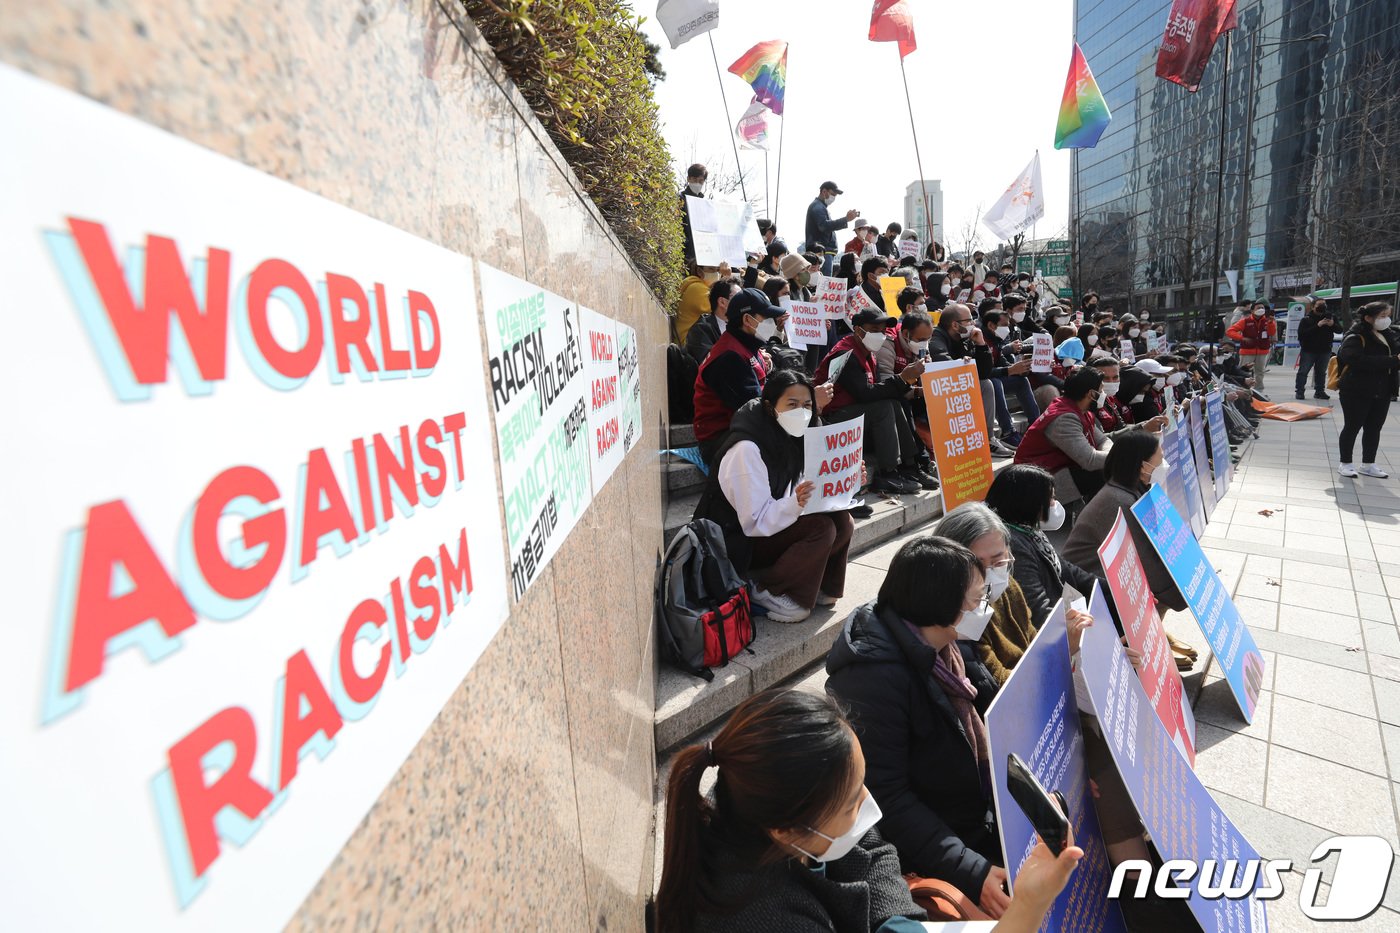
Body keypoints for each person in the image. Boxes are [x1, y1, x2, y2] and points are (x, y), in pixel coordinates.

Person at [657, 687, 1085, 933]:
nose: (869, 807)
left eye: (863, 784)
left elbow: (875, 850)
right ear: (786, 831)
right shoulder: (763, 919)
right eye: (851, 803)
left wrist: (895, 921)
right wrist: (1029, 906)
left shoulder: (765, 802)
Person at [825, 537, 1009, 916]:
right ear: (942, 604)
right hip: (931, 850)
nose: (983, 607)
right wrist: (971, 870)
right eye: (976, 599)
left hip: (973, 818)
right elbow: (888, 799)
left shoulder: (948, 646)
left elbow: (994, 713)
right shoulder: (874, 679)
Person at [693, 370, 853, 622]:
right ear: (769, 407)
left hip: (767, 526)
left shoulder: (792, 437)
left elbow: (805, 485)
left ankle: (823, 584)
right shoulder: (746, 449)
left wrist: (848, 480)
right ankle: (768, 590)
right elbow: (754, 521)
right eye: (792, 404)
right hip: (734, 542)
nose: (802, 412)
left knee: (842, 519)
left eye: (808, 405)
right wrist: (795, 503)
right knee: (821, 528)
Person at [932, 503, 1059, 694]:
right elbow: (996, 686)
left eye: (998, 561)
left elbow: (1032, 637)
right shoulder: (963, 616)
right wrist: (1057, 656)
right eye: (976, 564)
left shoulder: (1008, 587)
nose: (989, 573)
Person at [1062, 430, 1189, 617]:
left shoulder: (1132, 490)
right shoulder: (1118, 502)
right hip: (1086, 593)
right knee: (1159, 594)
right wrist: (1185, 595)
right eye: (1159, 459)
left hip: (1105, 579)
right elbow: (1144, 560)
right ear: (1142, 466)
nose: (1164, 464)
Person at [816, 308, 937, 494]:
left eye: (882, 331)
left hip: (855, 413)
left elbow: (881, 388)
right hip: (833, 418)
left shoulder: (869, 351)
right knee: (883, 407)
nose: (879, 335)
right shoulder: (845, 353)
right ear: (857, 330)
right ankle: (888, 473)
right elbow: (864, 394)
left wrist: (908, 382)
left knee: (895, 402)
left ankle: (910, 465)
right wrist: (903, 378)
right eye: (873, 330)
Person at [984, 465, 1109, 631]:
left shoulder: (1029, 530)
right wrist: (1080, 632)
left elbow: (1068, 569)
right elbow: (1037, 610)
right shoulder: (1013, 545)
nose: (1054, 504)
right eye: (1050, 499)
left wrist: (1113, 591)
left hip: (1067, 613)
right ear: (1030, 503)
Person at [693, 288, 781, 466]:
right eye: (767, 317)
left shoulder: (746, 343)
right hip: (720, 441)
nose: (773, 323)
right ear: (748, 320)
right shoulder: (729, 357)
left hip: (737, 430)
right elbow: (754, 410)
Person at [1013, 367, 1111, 505]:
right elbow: (1090, 460)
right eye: (1101, 390)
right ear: (1091, 394)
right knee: (1102, 471)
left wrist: (1113, 453)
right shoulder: (1064, 418)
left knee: (1108, 466)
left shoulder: (1079, 410)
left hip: (1054, 471)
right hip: (1034, 483)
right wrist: (1120, 456)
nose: (1103, 394)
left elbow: (1103, 439)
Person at [929, 302, 1014, 459]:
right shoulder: (936, 337)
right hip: (938, 394)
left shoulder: (967, 338)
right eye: (969, 320)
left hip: (960, 387)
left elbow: (984, 372)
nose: (973, 324)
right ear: (955, 325)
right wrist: (963, 363)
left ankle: (989, 438)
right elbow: (944, 363)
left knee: (987, 384)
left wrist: (981, 345)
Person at [1337, 301, 1400, 479]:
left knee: (1374, 428)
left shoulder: (1387, 334)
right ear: (1368, 318)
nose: (1386, 320)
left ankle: (1368, 464)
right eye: (1382, 316)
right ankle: (1346, 463)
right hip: (1356, 389)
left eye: (1387, 316)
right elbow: (1354, 359)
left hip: (1383, 388)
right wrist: (1393, 360)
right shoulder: (1356, 335)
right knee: (1353, 426)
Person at [806, 181, 858, 275]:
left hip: (825, 251)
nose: (833, 198)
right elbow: (824, 226)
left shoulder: (821, 207)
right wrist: (845, 219)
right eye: (833, 194)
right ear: (824, 191)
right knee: (824, 284)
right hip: (822, 252)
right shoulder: (817, 207)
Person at [685, 279, 740, 366]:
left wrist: (761, 360)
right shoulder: (701, 330)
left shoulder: (743, 326)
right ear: (722, 302)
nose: (743, 303)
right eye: (738, 298)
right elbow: (710, 365)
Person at [1226, 300, 1276, 388]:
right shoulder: (1245, 321)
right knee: (1243, 371)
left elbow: (1272, 333)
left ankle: (1259, 390)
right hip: (1247, 351)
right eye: (1258, 308)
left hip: (1262, 351)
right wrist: (1242, 338)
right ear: (1252, 311)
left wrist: (1271, 323)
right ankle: (1242, 388)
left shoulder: (1268, 321)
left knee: (1260, 372)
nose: (1261, 309)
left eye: (1262, 308)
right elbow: (1230, 331)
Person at [1296, 298, 1337, 400]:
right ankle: (1300, 391)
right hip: (1308, 350)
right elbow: (1302, 335)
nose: (1322, 306)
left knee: (1321, 372)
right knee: (1303, 372)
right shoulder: (1306, 319)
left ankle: (1319, 391)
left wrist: (1332, 324)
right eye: (1319, 304)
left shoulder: (1330, 317)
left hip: (1325, 350)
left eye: (1324, 304)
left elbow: (1339, 330)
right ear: (1313, 306)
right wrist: (1317, 326)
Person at [675, 263, 719, 345]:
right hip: (687, 345)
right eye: (711, 269)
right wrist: (726, 281)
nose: (716, 274)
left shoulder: (698, 285)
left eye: (718, 270)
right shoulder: (698, 289)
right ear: (699, 271)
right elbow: (721, 310)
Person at [679, 163, 707, 265]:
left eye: (701, 181)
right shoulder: (680, 198)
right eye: (694, 179)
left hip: (700, 252)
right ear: (688, 179)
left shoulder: (705, 203)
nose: (697, 183)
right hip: (683, 250)